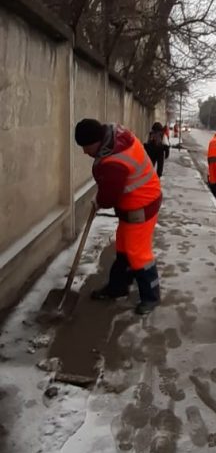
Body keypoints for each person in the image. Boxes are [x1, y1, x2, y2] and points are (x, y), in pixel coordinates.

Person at [74, 119, 162, 315]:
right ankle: (118, 287)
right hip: (135, 202)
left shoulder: (114, 161)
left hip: (142, 205)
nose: (84, 152)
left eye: (86, 147)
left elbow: (109, 197)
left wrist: (100, 200)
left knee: (138, 253)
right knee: (123, 248)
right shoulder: (114, 136)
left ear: (96, 141)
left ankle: (151, 296)